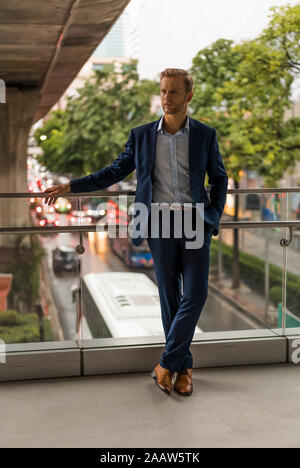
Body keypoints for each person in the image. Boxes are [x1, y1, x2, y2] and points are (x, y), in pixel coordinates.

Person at [44, 68, 228, 397]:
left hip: (194, 223)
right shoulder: (142, 135)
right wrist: (72, 186)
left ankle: (165, 364)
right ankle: (183, 369)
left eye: (173, 92)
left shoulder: (205, 135)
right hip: (157, 222)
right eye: (162, 91)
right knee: (169, 297)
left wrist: (212, 216)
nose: (166, 98)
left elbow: (219, 179)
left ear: (188, 97)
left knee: (196, 294)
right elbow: (113, 172)